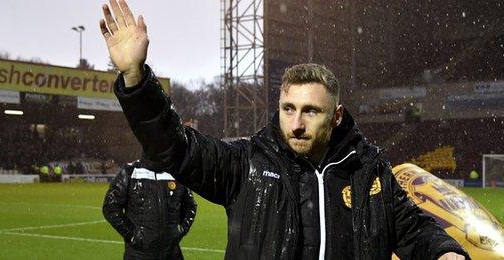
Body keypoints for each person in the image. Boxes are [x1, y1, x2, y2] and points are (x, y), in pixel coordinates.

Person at [99, 0, 469, 259]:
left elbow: (414, 230)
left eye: (310, 111)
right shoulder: (246, 165)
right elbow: (174, 148)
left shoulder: (370, 173)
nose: (296, 123)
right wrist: (135, 79)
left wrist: (446, 252)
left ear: (336, 117)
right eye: (288, 109)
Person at [103, 160, 197, 260]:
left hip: (172, 253)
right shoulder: (130, 171)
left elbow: (190, 206)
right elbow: (110, 207)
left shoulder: (176, 172)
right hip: (139, 254)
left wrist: (179, 231)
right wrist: (132, 235)